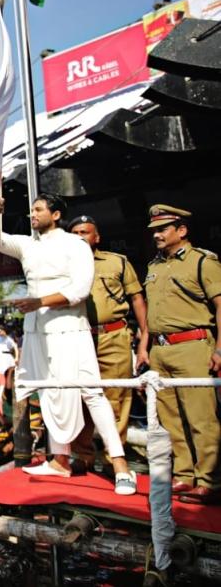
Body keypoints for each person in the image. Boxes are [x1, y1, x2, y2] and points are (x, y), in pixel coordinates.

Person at [0, 192, 136, 495]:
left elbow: (79, 290)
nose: (32, 214)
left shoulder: (75, 245)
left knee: (92, 393)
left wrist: (39, 301)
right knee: (50, 393)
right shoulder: (28, 245)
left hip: (70, 328)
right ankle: (60, 461)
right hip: (37, 331)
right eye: (31, 210)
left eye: (38, 209)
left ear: (55, 214)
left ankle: (120, 466)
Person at [142, 204, 221, 504]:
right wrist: (146, 347)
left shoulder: (203, 262)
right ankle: (186, 475)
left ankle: (210, 480)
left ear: (182, 230)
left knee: (201, 418)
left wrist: (220, 349)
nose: (157, 235)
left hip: (193, 345)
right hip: (161, 349)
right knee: (172, 419)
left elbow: (220, 305)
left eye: (162, 229)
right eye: (154, 231)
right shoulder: (154, 266)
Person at [68, 215, 149, 471]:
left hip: (113, 336)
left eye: (86, 231)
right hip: (78, 336)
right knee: (78, 398)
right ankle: (82, 457)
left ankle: (114, 458)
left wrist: (145, 336)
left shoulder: (117, 262)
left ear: (97, 237)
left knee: (116, 396)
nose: (81, 236)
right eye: (76, 232)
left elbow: (137, 299)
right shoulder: (63, 265)